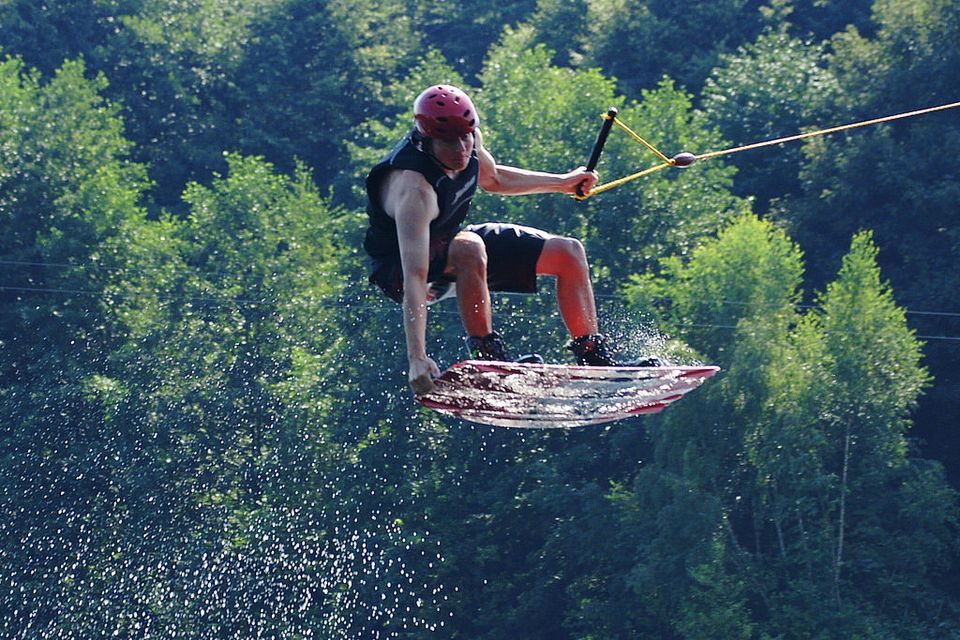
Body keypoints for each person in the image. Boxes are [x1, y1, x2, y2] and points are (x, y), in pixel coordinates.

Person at [364, 84, 624, 394]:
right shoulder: (414, 190)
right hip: (400, 272)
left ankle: (593, 358)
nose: (461, 149)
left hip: (449, 247)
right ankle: (489, 360)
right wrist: (417, 359)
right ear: (426, 139)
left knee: (568, 252)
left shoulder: (468, 140)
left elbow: (494, 178)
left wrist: (564, 183)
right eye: (449, 142)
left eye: (466, 137)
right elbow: (415, 277)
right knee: (469, 246)